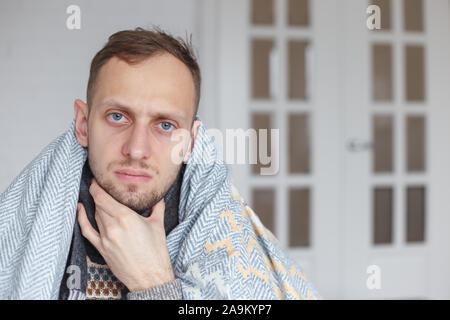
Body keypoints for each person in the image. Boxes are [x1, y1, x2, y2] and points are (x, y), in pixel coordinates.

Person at [0, 27, 320, 300]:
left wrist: (153, 283)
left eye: (165, 125)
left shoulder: (227, 238)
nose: (137, 150)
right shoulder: (21, 226)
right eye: (117, 116)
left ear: (191, 142)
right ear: (83, 124)